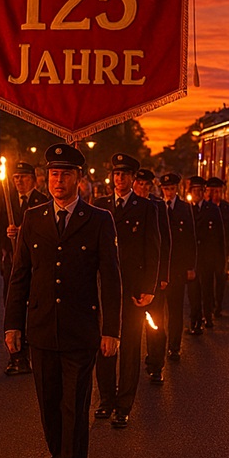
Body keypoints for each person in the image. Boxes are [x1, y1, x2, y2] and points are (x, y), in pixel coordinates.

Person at [5, 144, 122, 458]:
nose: (58, 180)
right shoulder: (33, 217)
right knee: (49, 406)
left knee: (75, 405)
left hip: (80, 329)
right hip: (41, 329)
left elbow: (111, 278)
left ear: (79, 180)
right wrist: (12, 325)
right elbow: (20, 275)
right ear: (46, 177)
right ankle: (56, 457)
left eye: (66, 174)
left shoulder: (99, 219)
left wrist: (112, 329)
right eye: (53, 174)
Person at [93, 154, 159, 427]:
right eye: (116, 174)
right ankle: (106, 399)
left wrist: (149, 287)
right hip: (105, 287)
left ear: (133, 178)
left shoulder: (145, 207)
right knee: (104, 345)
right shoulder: (100, 206)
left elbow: (153, 248)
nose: (119, 179)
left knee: (130, 346)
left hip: (132, 287)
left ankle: (124, 404)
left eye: (124, 174)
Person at [0, 160, 48, 377]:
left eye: (23, 177)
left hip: (33, 264)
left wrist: (23, 232)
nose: (19, 181)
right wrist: (2, 249)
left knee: (31, 308)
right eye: (15, 178)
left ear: (33, 180)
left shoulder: (41, 201)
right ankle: (16, 355)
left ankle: (32, 350)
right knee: (13, 305)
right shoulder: (8, 201)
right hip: (12, 263)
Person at [133, 168, 172, 383]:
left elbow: (164, 242)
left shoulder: (157, 206)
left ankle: (156, 364)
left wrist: (163, 275)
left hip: (154, 274)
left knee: (155, 324)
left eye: (147, 185)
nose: (143, 188)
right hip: (133, 275)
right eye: (140, 183)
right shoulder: (126, 205)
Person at [157, 173, 196, 364]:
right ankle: (157, 347)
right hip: (160, 270)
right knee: (157, 312)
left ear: (177, 189)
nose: (169, 193)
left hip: (178, 269)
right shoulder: (156, 207)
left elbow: (190, 239)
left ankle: (174, 347)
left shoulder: (184, 209)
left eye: (172, 189)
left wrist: (190, 267)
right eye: (165, 189)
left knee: (175, 311)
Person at [187, 176, 226, 334]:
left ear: (204, 192)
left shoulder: (212, 209)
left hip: (208, 258)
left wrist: (220, 262)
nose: (197, 193)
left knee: (207, 289)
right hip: (192, 259)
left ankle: (207, 316)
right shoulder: (187, 209)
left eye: (199, 190)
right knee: (193, 291)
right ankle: (195, 320)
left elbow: (219, 237)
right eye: (194, 190)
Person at [206, 176, 229, 316]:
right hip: (207, 250)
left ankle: (218, 307)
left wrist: (228, 251)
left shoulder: (226, 207)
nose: (216, 194)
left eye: (218, 191)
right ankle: (209, 306)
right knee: (208, 280)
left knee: (221, 279)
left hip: (221, 249)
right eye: (213, 191)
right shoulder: (205, 207)